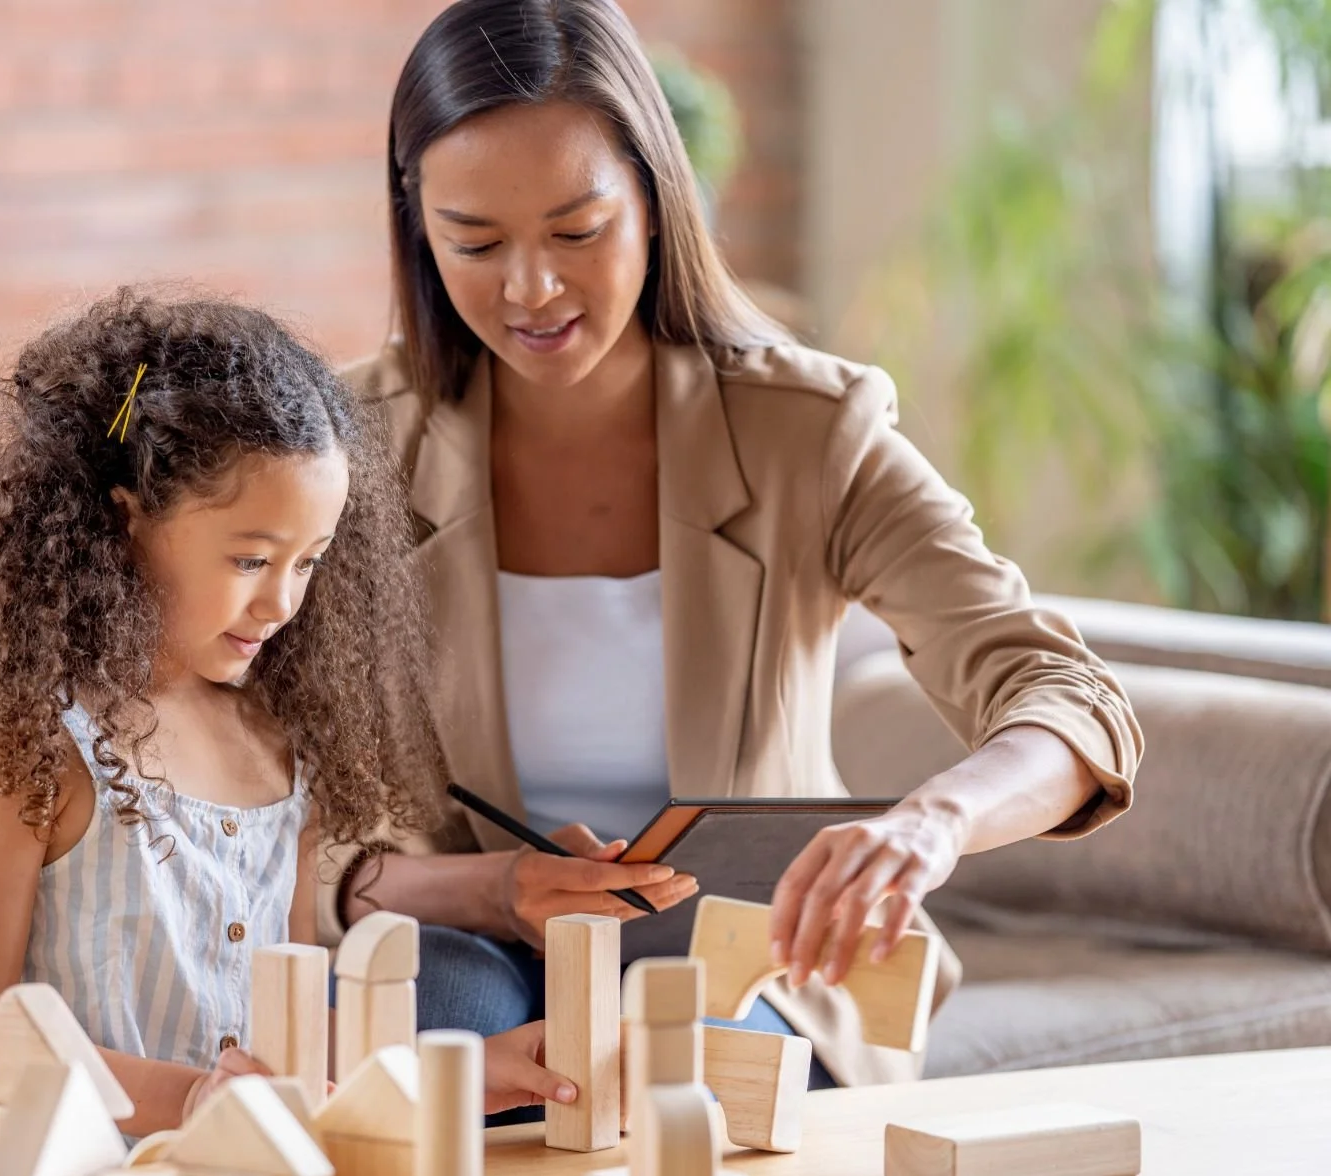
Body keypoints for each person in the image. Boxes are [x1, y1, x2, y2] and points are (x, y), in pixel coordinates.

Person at [325, 0, 1144, 1095]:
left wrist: (927, 823)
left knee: (700, 1087)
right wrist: (495, 886)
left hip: (737, 953)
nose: (530, 288)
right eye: (474, 241)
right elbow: (249, 812)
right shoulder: (344, 449)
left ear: (657, 205)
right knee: (441, 1033)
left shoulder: (807, 433)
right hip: (458, 936)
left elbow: (1065, 696)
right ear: (416, 225)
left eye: (576, 230)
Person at [0, 290, 568, 1176]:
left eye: (310, 561)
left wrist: (461, 1070)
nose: (283, 603)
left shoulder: (282, 746)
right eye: (250, 560)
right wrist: (192, 1100)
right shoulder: (31, 736)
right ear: (123, 522)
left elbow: (285, 1032)